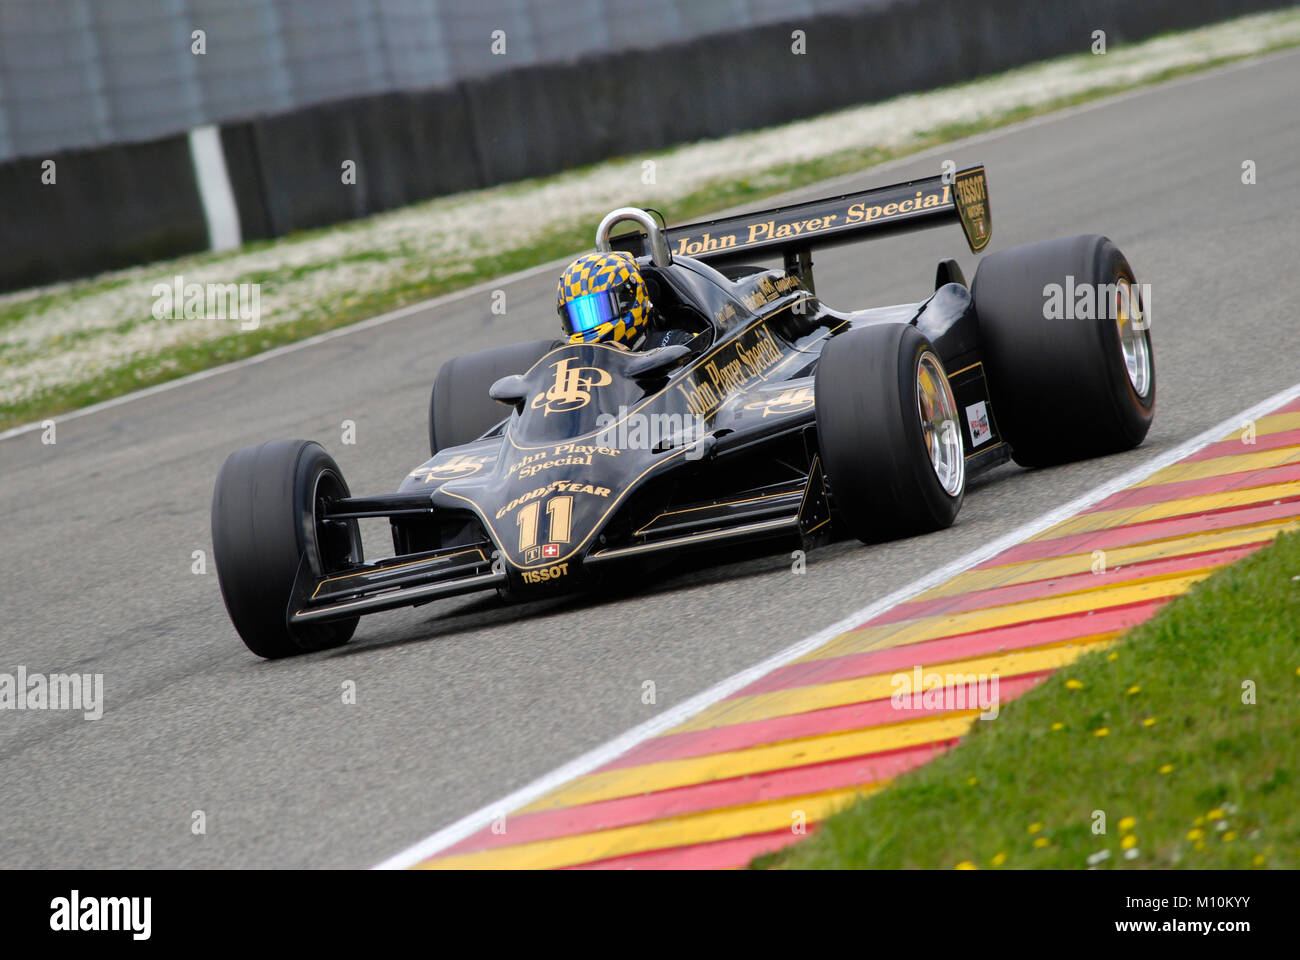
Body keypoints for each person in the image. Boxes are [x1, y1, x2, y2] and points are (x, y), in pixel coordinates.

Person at [556, 251, 699, 350]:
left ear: (632, 297)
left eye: (599, 310)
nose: (589, 327)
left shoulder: (675, 344)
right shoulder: (574, 368)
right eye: (579, 317)